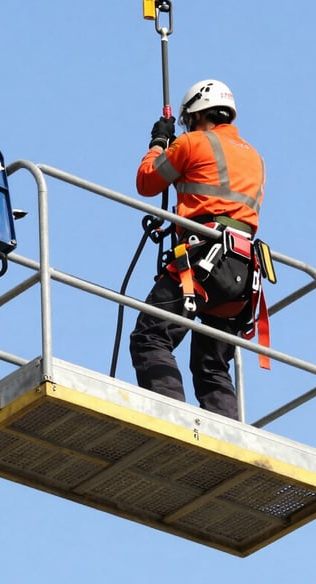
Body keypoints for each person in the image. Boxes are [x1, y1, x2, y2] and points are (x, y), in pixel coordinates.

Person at [130, 79, 266, 421]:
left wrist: (160, 142)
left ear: (197, 116)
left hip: (203, 261)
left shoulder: (191, 143)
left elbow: (147, 181)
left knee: (150, 336)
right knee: (212, 366)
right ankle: (230, 435)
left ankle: (171, 417)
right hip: (242, 272)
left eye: (188, 121)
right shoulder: (254, 158)